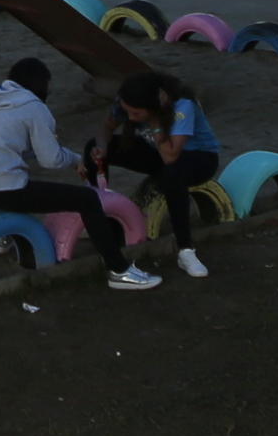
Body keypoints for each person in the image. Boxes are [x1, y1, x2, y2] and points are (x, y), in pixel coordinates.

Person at [0, 57, 156, 290]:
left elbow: (19, 149)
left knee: (21, 183)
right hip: (6, 190)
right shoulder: (34, 107)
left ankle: (4, 239)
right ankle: (120, 270)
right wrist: (75, 159)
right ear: (42, 85)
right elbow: (50, 159)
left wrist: (68, 156)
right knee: (88, 199)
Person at [91, 71, 222, 281]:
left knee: (172, 173)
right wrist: (101, 146)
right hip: (158, 149)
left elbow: (170, 156)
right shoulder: (128, 101)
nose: (131, 118)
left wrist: (156, 123)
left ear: (155, 107)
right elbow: (107, 126)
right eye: (128, 112)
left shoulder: (182, 105)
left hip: (199, 157)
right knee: (93, 148)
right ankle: (98, 216)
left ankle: (185, 250)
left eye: (137, 114)